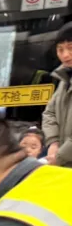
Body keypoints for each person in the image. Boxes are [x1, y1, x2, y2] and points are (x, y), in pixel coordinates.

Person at [42, 21, 72, 167]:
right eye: (60, 50)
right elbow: (49, 113)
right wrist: (53, 142)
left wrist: (59, 156)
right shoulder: (64, 80)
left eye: (70, 48)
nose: (65, 55)